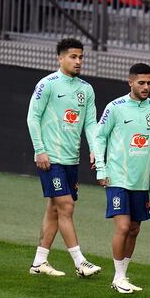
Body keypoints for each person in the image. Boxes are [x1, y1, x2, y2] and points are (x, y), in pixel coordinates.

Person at [94, 63, 150, 294]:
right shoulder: (115, 107)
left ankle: (123, 275)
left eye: (149, 83)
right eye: (141, 83)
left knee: (134, 229)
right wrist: (101, 168)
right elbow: (99, 138)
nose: (146, 87)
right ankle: (118, 277)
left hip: (141, 181)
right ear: (130, 82)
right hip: (117, 177)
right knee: (123, 226)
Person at [26, 38, 101, 278]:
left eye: (81, 57)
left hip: (71, 159)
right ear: (60, 58)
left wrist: (95, 150)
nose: (78, 61)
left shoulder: (86, 89)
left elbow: (90, 123)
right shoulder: (47, 84)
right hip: (51, 157)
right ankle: (80, 262)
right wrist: (40, 149)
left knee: (55, 208)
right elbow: (33, 117)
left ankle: (39, 262)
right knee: (66, 206)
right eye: (73, 57)